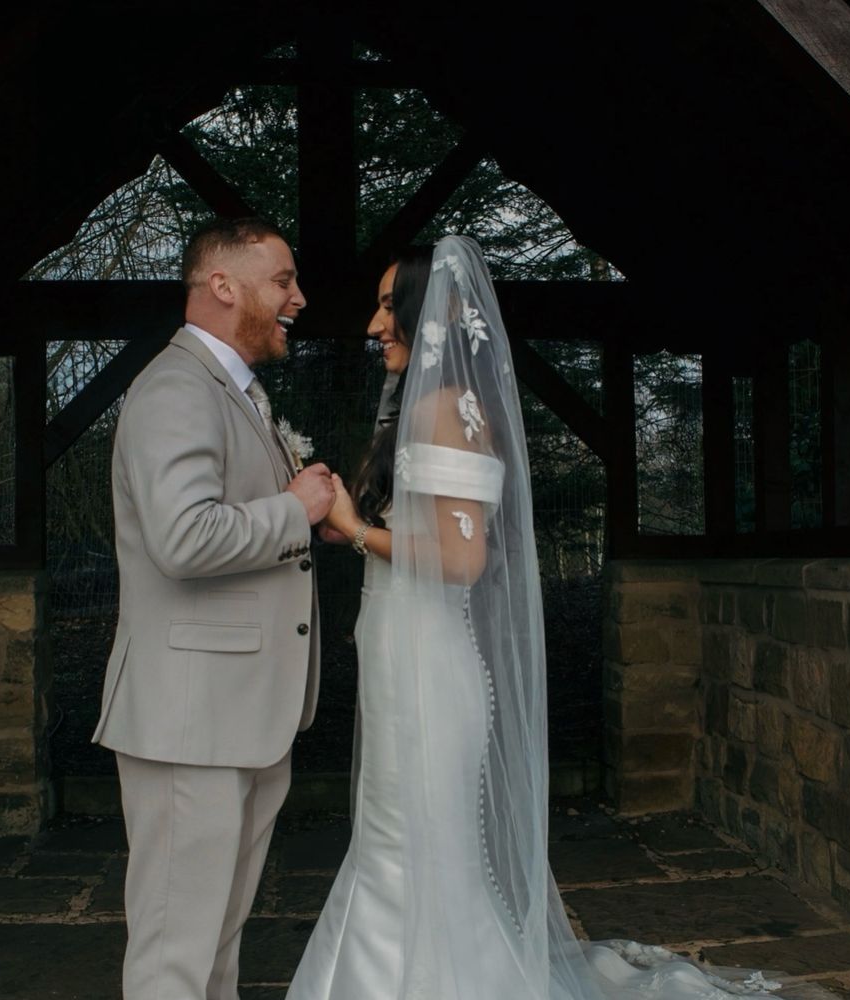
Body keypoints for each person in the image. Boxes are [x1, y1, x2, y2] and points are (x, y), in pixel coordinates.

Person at [289, 236, 784, 999]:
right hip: (404, 660)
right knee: (397, 834)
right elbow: (424, 537)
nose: (373, 324)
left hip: (428, 672)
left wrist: (357, 531)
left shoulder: (446, 411)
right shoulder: (423, 407)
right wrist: (356, 525)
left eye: (389, 305)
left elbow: (463, 558)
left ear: (429, 314)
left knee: (413, 839)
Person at [93, 217, 334, 1000]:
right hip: (190, 716)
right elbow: (184, 537)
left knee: (215, 942)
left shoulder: (233, 390)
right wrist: (295, 511)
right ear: (223, 285)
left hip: (235, 713)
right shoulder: (177, 387)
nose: (298, 297)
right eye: (283, 280)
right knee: (175, 952)